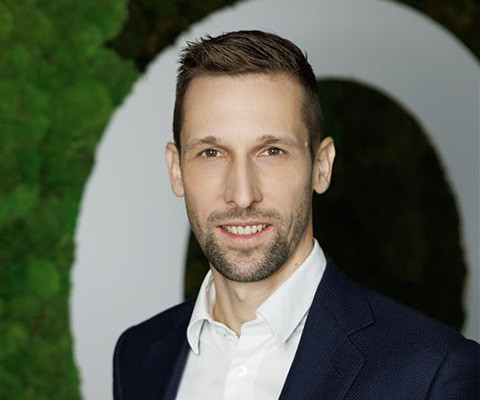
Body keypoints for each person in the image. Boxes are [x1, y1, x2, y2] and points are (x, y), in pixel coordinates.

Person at [113, 30, 479, 400]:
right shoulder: (139, 355)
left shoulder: (434, 373)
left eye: (271, 152)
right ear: (176, 169)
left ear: (321, 166)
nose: (242, 195)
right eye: (211, 153)